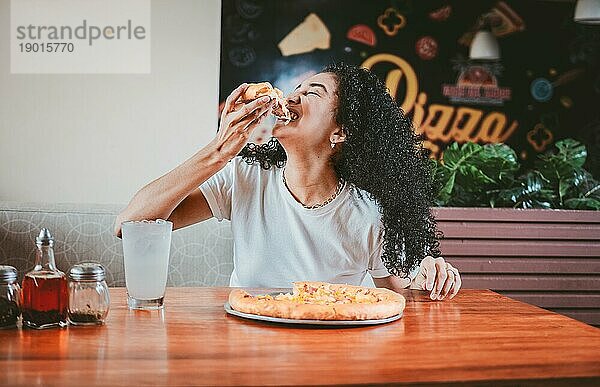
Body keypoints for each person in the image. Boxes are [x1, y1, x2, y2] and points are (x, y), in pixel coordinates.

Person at [115, 63, 461, 301]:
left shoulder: (367, 214)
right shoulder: (244, 178)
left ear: (340, 132)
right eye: (296, 87)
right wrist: (220, 150)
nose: (291, 95)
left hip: (332, 352)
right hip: (246, 345)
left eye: (313, 93)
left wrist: (431, 277)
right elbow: (129, 223)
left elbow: (403, 297)